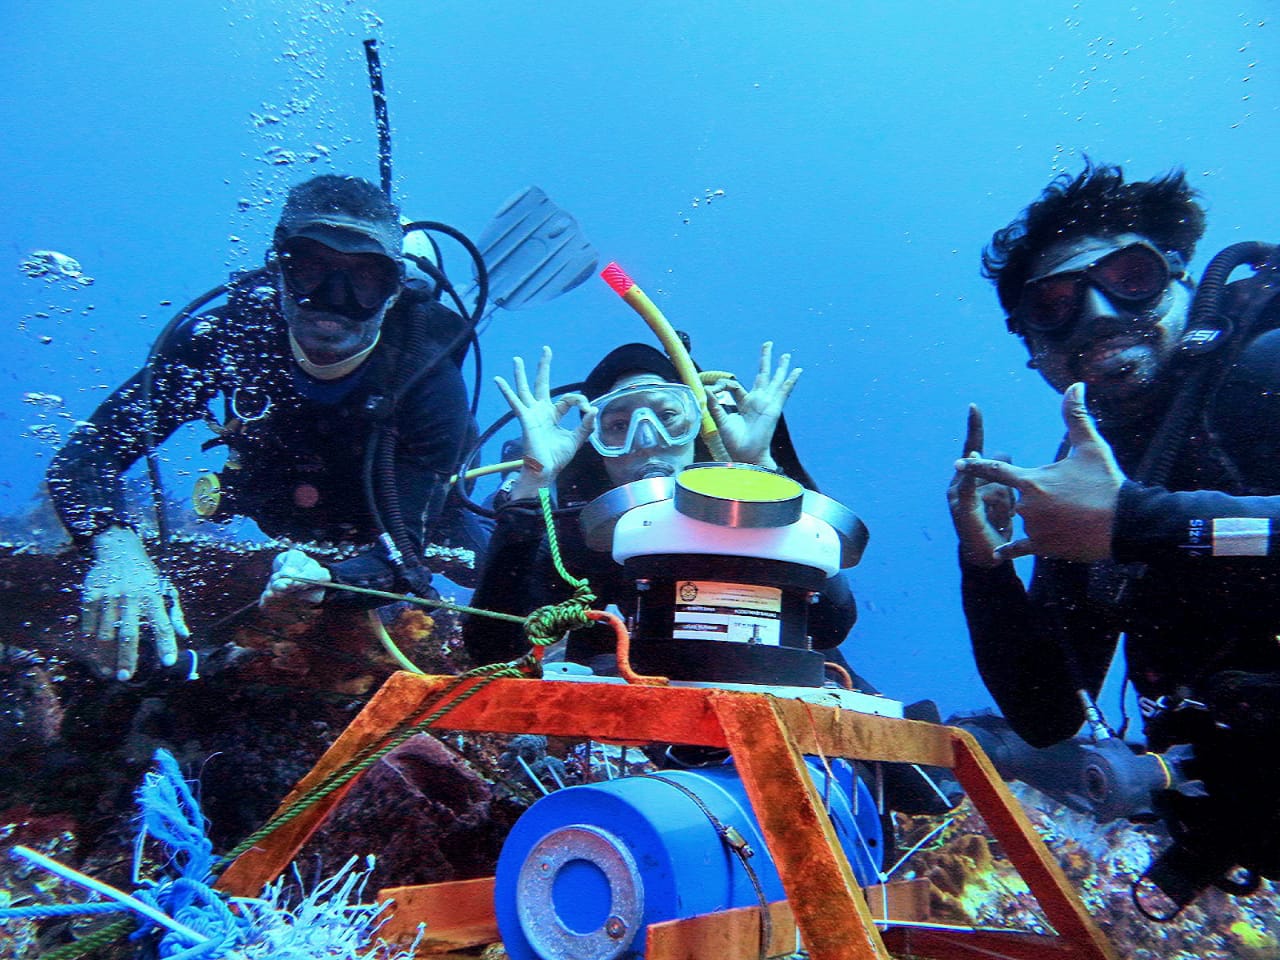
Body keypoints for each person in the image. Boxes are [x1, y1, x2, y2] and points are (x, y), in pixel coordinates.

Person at [948, 159, 1280, 909]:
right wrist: (985, 566)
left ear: (1185, 284)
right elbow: (1047, 712)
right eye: (1055, 303)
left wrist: (1141, 525)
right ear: (1033, 349)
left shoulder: (1265, 372)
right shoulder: (1092, 491)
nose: (1096, 314)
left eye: (1131, 277)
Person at [47, 174, 478, 682]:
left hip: (398, 509)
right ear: (278, 268)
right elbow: (88, 455)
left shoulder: (428, 379)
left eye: (365, 278)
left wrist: (332, 581)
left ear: (393, 289)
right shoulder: (231, 337)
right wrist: (113, 544)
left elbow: (404, 556)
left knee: (481, 558)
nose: (335, 299)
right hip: (278, 505)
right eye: (312, 268)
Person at [461, 340, 859, 671]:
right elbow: (493, 647)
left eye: (669, 416)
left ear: (698, 427)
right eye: (618, 426)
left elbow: (829, 625)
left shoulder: (744, 518)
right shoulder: (579, 540)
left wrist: (762, 473)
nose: (647, 439)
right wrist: (534, 481)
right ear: (595, 447)